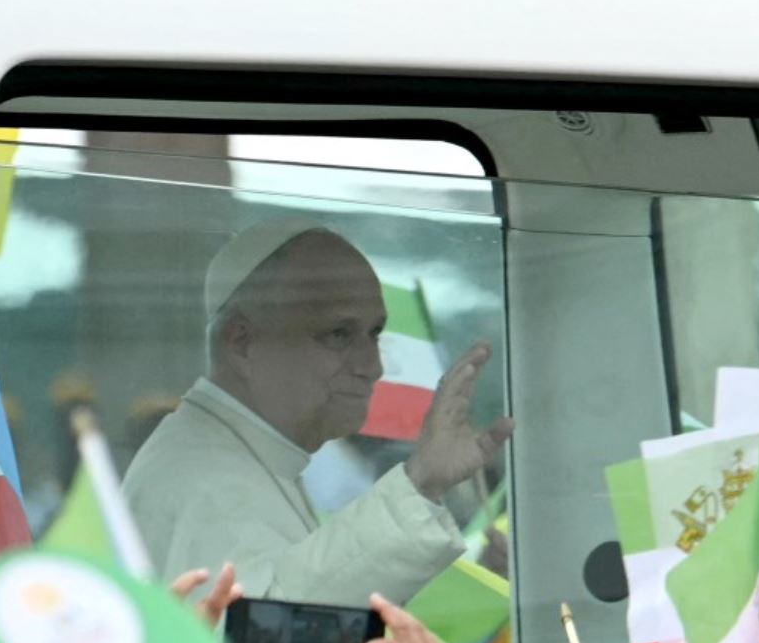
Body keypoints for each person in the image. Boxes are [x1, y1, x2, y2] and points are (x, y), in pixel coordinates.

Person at [122, 221, 513, 605]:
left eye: (374, 334)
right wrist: (420, 482)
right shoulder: (205, 473)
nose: (372, 366)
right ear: (241, 341)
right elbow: (270, 637)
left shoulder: (244, 454)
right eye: (339, 334)